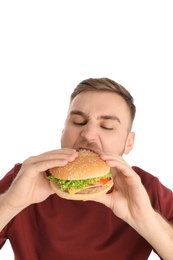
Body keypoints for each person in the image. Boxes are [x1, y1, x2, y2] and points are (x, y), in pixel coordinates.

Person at [0, 77, 173, 260]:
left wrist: (146, 221)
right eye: (78, 122)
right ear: (62, 132)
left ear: (129, 142)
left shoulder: (146, 187)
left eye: (107, 126)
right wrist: (10, 205)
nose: (88, 134)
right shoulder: (24, 178)